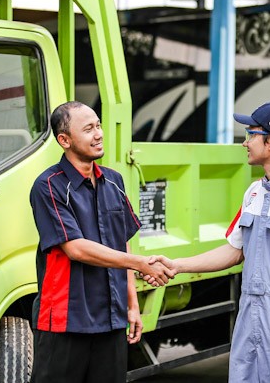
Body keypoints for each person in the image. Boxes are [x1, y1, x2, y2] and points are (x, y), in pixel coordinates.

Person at [148, 101, 270, 383]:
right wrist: (177, 265)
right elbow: (234, 251)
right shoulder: (254, 192)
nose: (245, 142)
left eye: (251, 134)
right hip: (249, 316)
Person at [29, 101, 173, 383]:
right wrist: (141, 263)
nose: (98, 134)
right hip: (66, 320)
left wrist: (132, 305)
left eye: (98, 125)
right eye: (88, 129)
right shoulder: (48, 186)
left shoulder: (114, 181)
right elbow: (76, 248)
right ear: (64, 140)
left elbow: (123, 242)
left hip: (111, 319)